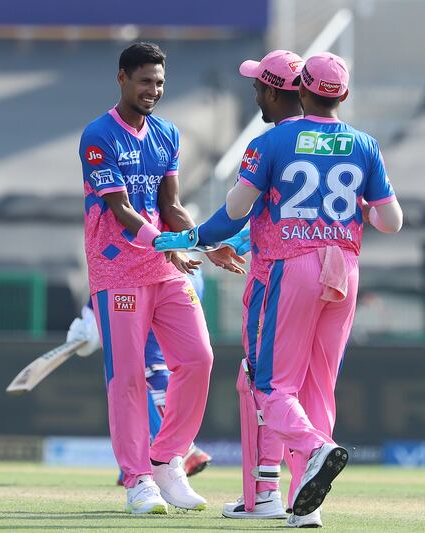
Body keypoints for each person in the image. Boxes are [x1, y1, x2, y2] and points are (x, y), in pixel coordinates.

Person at [223, 52, 403, 528]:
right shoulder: (364, 144)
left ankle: (314, 448)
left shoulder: (275, 139)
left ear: (300, 90)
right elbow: (392, 221)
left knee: (272, 385)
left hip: (292, 262)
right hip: (344, 266)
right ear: (342, 96)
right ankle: (310, 506)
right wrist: (356, 209)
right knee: (319, 386)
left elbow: (237, 205)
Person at [77, 41, 245, 516]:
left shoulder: (167, 132)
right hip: (118, 270)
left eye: (160, 83)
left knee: (198, 359)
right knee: (127, 377)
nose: (154, 90)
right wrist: (167, 244)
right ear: (122, 79)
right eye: (145, 81)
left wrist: (203, 243)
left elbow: (170, 206)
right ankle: (137, 481)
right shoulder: (97, 135)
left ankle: (166, 458)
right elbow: (121, 208)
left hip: (163, 267)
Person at [154, 49, 307, 521]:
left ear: (272, 91)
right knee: (303, 388)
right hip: (331, 277)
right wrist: (225, 243)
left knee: (259, 384)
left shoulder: (270, 144)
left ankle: (268, 490)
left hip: (276, 280)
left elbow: (234, 216)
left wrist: (189, 239)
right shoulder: (343, 141)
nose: (254, 91)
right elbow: (268, 220)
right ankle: (300, 500)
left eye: (259, 85)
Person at [65, 271, 213, 480]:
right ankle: (138, 462)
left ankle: (181, 450)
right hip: (187, 273)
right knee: (155, 371)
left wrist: (86, 323)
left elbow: (115, 269)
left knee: (140, 375)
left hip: (146, 276)